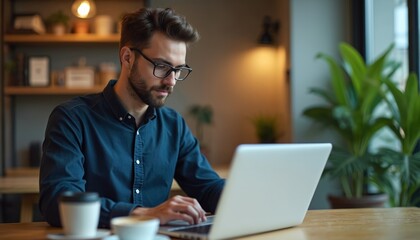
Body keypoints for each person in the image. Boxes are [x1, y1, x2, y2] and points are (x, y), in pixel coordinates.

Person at [39, 7, 225, 229]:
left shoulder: (173, 125)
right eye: (162, 66)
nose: (171, 81)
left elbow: (208, 187)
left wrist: (254, 198)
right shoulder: (72, 119)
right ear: (127, 57)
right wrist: (143, 214)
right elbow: (58, 201)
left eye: (178, 69)